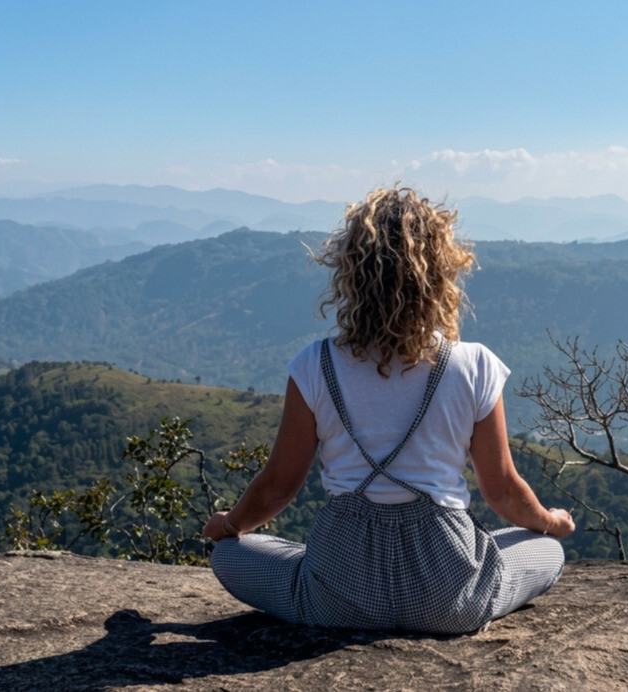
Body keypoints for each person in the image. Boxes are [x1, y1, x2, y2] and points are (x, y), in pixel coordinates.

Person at [203, 185, 574, 634]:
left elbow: (279, 487)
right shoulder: (474, 365)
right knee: (548, 550)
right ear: (440, 274)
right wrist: (550, 522)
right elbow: (502, 493)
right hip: (447, 597)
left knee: (229, 554)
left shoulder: (314, 365)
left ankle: (314, 584)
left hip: (337, 593)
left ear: (351, 273)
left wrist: (230, 523)